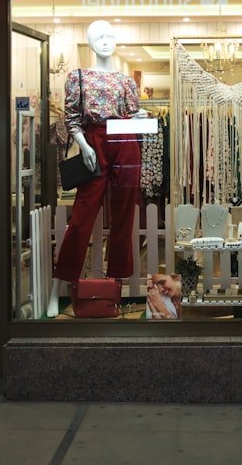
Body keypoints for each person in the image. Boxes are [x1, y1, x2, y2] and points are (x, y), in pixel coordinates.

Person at [51, 20, 147, 315]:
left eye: (110, 36)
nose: (105, 41)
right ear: (90, 42)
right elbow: (71, 118)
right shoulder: (77, 77)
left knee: (124, 216)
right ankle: (60, 285)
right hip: (93, 140)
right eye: (99, 36)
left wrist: (141, 116)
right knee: (81, 216)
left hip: (125, 139)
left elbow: (132, 115)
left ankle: (114, 286)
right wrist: (84, 144)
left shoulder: (126, 81)